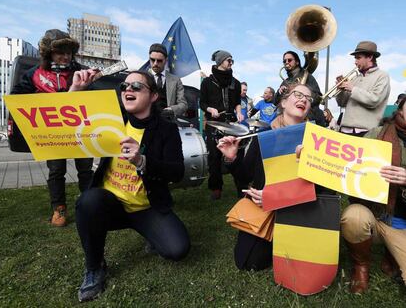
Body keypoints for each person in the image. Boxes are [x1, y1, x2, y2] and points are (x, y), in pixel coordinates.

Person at [75, 70, 190, 302]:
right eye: (124, 87)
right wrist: (76, 91)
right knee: (88, 202)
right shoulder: (111, 120)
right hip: (110, 205)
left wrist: (142, 161)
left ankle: (150, 233)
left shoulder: (166, 130)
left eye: (136, 86)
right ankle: (95, 267)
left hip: (147, 207)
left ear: (154, 96)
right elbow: (72, 120)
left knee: (178, 250)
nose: (128, 90)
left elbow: (177, 172)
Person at [217, 83, 313, 270]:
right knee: (249, 262)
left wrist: (278, 197)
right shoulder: (265, 135)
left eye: (308, 98)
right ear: (283, 102)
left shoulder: (315, 138)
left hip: (301, 209)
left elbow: (322, 188)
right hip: (264, 208)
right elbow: (245, 177)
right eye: (298, 94)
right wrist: (232, 158)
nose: (303, 99)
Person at [11, 29, 98, 227]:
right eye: (61, 52)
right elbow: (16, 97)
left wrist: (86, 88)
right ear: (48, 53)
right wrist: (43, 100)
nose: (66, 56)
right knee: (56, 171)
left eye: (69, 52)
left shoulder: (82, 71)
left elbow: (95, 100)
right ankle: (59, 209)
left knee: (85, 170)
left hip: (81, 131)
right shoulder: (35, 74)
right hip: (53, 133)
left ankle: (89, 205)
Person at [341, 96, 406, 293]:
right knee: (354, 216)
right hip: (375, 216)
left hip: (402, 224)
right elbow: (347, 166)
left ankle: (392, 254)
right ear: (400, 109)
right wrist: (309, 154)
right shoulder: (377, 134)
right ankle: (361, 266)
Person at [199, 50, 243, 200]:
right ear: (219, 62)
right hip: (214, 123)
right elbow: (202, 103)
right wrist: (210, 109)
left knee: (237, 155)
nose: (231, 63)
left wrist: (239, 112)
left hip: (231, 123)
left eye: (232, 60)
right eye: (228, 60)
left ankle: (241, 187)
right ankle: (216, 188)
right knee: (214, 156)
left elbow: (237, 102)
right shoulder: (207, 82)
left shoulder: (235, 83)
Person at [336, 41, 390, 137]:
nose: (355, 62)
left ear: (370, 57)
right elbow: (341, 103)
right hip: (344, 130)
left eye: (358, 58)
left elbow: (374, 100)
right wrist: (340, 90)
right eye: (355, 58)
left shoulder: (382, 76)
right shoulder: (355, 78)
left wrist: (352, 89)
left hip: (366, 132)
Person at [274, 50, 326, 127]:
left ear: (297, 62)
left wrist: (302, 95)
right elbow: (275, 102)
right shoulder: (285, 81)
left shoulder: (307, 76)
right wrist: (279, 92)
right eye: (284, 61)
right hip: (289, 122)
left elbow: (318, 97)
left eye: (290, 60)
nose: (286, 62)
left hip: (308, 119)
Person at [148, 43, 187, 118]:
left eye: (159, 61)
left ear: (166, 60)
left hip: (168, 123)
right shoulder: (142, 77)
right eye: (152, 60)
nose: (155, 63)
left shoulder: (176, 80)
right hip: (146, 123)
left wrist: (171, 109)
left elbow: (183, 104)